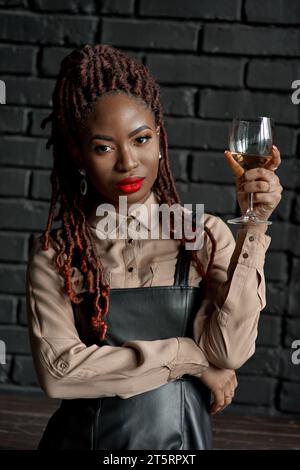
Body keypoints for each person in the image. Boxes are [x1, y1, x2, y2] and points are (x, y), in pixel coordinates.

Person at [25, 44, 283, 450]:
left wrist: (255, 224)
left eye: (141, 139)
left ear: (160, 141)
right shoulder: (57, 257)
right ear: (79, 156)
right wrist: (189, 359)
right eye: (103, 147)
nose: (128, 162)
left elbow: (229, 352)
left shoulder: (205, 237)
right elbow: (60, 374)